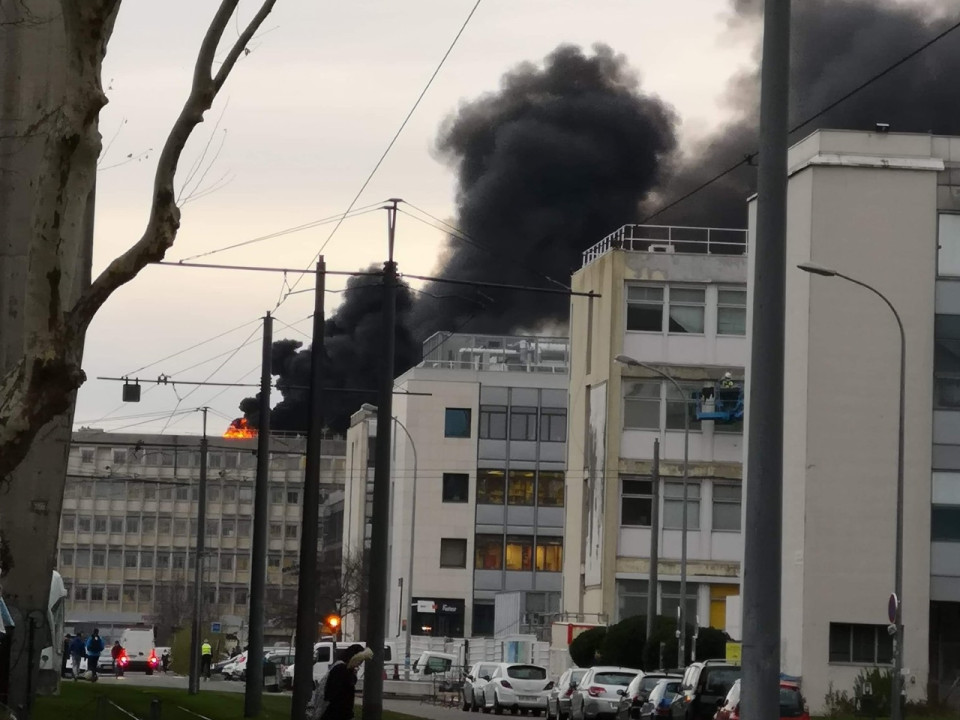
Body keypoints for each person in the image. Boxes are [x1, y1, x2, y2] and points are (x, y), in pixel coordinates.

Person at [318, 644, 373, 720]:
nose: (360, 664)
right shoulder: (342, 669)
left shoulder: (340, 668)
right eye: (360, 660)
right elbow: (341, 695)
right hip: (337, 713)